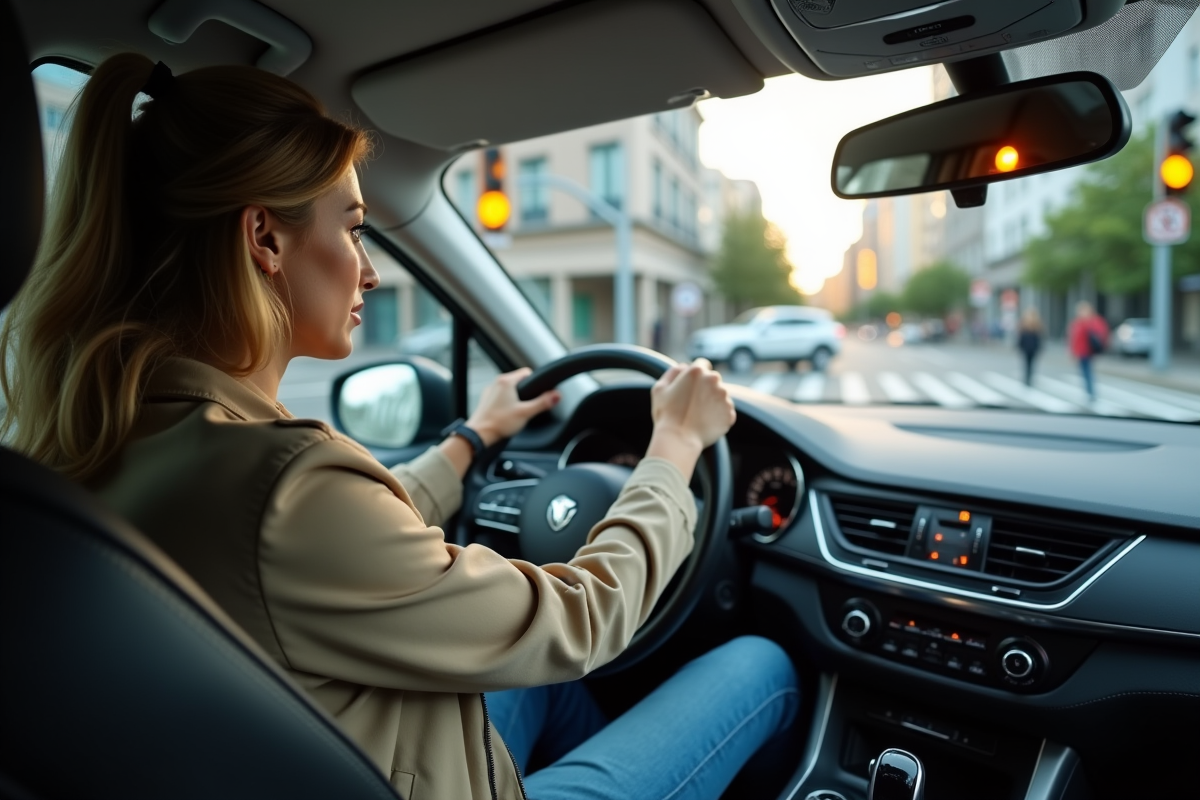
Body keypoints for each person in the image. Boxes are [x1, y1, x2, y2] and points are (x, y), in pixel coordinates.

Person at [0, 54, 797, 800]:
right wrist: (674, 450)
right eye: (350, 227)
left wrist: (469, 442)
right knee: (763, 665)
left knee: (554, 699)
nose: (372, 270)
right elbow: (577, 619)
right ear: (264, 238)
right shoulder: (287, 485)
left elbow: (332, 548)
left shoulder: (109, 442)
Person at [1068, 300, 1110, 401]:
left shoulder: (1093, 321)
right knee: (1085, 372)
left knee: (1087, 372)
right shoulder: (1078, 322)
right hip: (1081, 351)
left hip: (1088, 351)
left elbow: (1102, 334)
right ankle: (1089, 392)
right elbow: (1073, 338)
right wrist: (1073, 351)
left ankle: (1091, 392)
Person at [1016, 307, 1044, 386]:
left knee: (1030, 364)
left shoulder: (1036, 324)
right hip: (1027, 347)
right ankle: (1028, 378)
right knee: (1028, 364)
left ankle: (1028, 378)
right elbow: (1021, 337)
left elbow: (1039, 338)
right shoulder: (1025, 324)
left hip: (1031, 347)